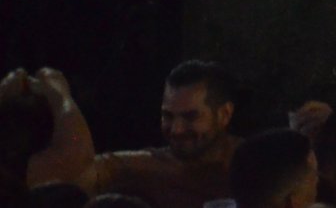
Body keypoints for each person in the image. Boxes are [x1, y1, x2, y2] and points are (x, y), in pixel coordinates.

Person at [76, 62, 242, 208]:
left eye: (191, 117)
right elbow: (74, 173)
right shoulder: (147, 167)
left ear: (224, 114)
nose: (177, 130)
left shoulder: (253, 165)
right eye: (168, 116)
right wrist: (62, 101)